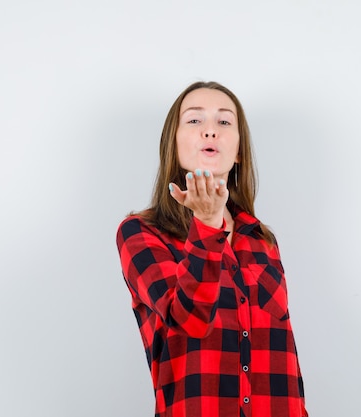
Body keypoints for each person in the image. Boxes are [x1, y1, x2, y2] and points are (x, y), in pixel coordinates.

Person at [116, 81, 307, 417]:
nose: (210, 131)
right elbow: (190, 320)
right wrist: (206, 225)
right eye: (194, 121)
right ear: (172, 145)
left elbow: (285, 356)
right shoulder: (141, 233)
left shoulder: (261, 239)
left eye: (224, 122)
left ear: (239, 152)